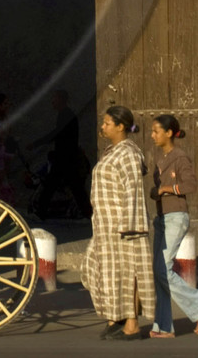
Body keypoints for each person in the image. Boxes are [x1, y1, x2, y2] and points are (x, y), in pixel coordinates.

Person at [83, 105, 154, 341]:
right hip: (105, 226)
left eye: (107, 123)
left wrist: (130, 225)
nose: (102, 127)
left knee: (128, 274)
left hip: (123, 227)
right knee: (101, 271)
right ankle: (115, 317)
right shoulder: (112, 151)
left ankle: (131, 324)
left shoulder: (129, 154)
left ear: (121, 126)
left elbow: (132, 191)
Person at [149, 115, 198, 337]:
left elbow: (191, 184)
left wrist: (165, 189)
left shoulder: (180, 158)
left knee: (163, 269)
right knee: (158, 271)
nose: (152, 135)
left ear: (169, 133)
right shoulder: (162, 159)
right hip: (162, 217)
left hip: (176, 216)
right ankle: (163, 326)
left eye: (156, 131)